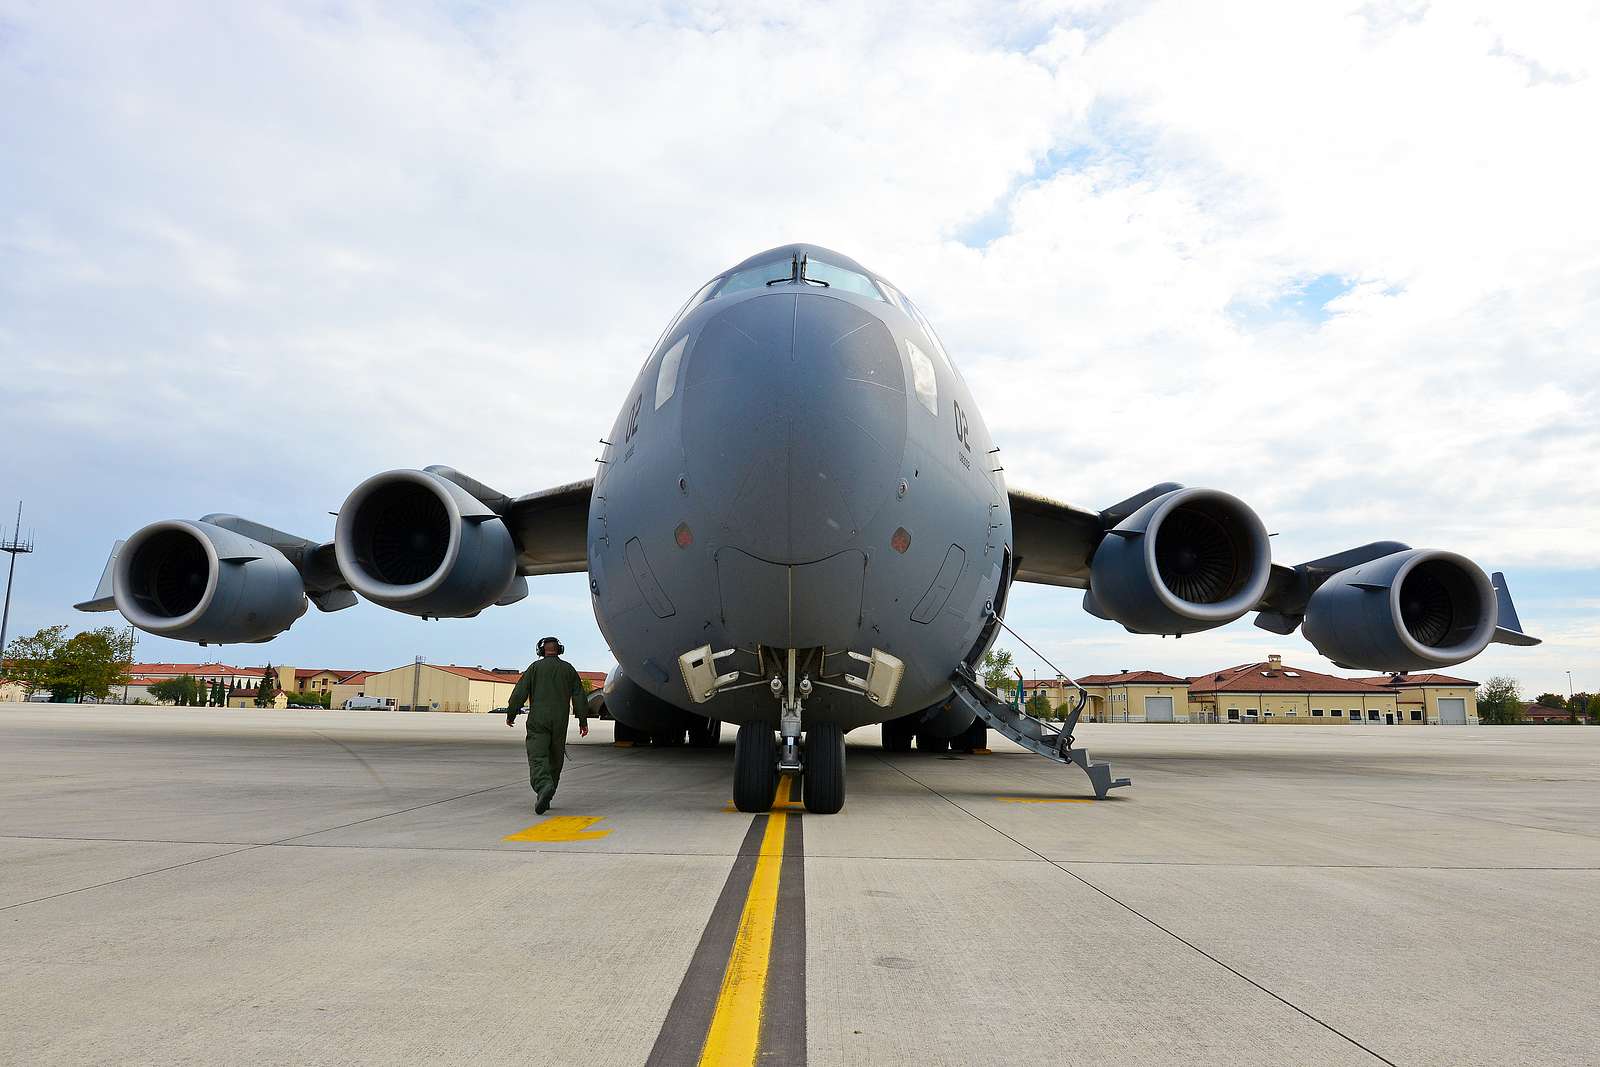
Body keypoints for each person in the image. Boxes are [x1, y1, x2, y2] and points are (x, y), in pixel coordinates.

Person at [506, 636, 589, 814]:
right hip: (560, 721)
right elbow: (580, 697)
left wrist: (511, 713)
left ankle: (544, 786)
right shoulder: (568, 669)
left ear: (541, 651)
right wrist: (583, 721)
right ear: (559, 650)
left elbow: (519, 692)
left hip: (538, 720)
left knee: (538, 756)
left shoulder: (534, 668)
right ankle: (547, 795)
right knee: (555, 758)